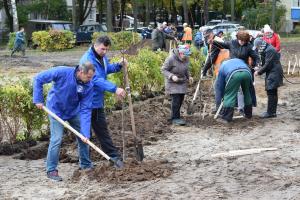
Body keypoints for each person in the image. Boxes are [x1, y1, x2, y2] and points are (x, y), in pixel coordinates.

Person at [33, 62, 95, 181]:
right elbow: (39, 78)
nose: (90, 79)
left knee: (84, 137)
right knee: (56, 139)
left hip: (73, 111)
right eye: (88, 77)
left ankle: (85, 165)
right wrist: (38, 99)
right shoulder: (62, 72)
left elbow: (86, 109)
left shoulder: (88, 85)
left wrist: (85, 132)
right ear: (81, 72)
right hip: (56, 111)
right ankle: (51, 170)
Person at [80, 36, 126, 167]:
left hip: (97, 101)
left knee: (102, 130)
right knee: (84, 134)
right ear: (96, 45)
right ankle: (85, 163)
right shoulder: (87, 60)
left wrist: (118, 66)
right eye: (103, 49)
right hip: (86, 102)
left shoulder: (101, 57)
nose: (104, 52)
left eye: (106, 49)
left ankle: (114, 157)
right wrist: (114, 88)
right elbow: (95, 79)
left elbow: (105, 70)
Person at [161, 44, 193, 126]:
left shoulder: (186, 59)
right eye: (185, 55)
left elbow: (186, 70)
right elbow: (163, 70)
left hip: (182, 81)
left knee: (181, 99)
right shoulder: (171, 59)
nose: (186, 57)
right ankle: (175, 118)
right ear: (181, 53)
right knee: (176, 100)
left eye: (187, 55)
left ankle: (176, 116)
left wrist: (189, 77)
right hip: (172, 82)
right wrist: (171, 76)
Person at [215, 58, 254, 123]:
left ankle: (226, 118)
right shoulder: (238, 60)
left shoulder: (223, 66)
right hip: (247, 72)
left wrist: (222, 96)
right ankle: (248, 114)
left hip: (234, 74)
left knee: (229, 94)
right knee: (247, 92)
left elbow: (220, 85)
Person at [253, 38, 283, 118]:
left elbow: (268, 64)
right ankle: (272, 112)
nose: (257, 49)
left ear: (260, 45)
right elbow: (266, 63)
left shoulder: (270, 50)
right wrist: (259, 68)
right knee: (272, 92)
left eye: (257, 47)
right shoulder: (267, 48)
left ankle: (270, 113)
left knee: (271, 91)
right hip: (273, 71)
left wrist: (258, 72)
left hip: (274, 72)